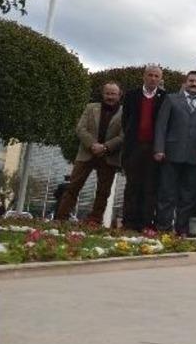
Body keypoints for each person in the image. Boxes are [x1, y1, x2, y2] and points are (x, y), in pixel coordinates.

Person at [56, 82, 124, 225]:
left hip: (109, 156)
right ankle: (61, 218)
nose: (110, 97)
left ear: (119, 95)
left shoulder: (125, 112)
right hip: (87, 153)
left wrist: (105, 147)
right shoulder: (90, 108)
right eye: (107, 93)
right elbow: (80, 128)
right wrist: (92, 145)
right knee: (73, 187)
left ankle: (95, 220)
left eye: (113, 94)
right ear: (103, 94)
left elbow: (123, 136)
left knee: (103, 192)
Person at [153, 71, 196, 235]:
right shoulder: (171, 99)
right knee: (167, 193)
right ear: (185, 82)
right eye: (191, 81)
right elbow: (161, 126)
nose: (194, 84)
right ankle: (163, 227)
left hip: (194, 156)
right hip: (171, 153)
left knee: (188, 195)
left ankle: (181, 228)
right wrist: (159, 148)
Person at [121, 64, 166, 232]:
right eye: (150, 75)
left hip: (154, 149)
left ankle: (146, 223)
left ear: (160, 79)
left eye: (156, 76)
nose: (153, 78)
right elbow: (126, 120)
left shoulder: (164, 97)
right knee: (132, 186)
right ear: (144, 76)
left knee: (150, 187)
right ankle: (129, 223)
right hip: (134, 148)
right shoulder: (132, 95)